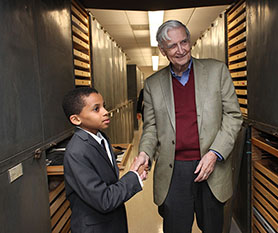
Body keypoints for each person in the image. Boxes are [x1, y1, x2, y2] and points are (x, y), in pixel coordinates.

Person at [137, 20, 243, 233]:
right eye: (172, 46)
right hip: (173, 171)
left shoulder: (217, 71)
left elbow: (233, 116)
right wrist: (144, 152)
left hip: (212, 166)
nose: (180, 50)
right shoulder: (152, 84)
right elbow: (151, 128)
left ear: (190, 41)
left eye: (184, 42)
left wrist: (214, 153)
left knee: (213, 228)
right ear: (163, 50)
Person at [62, 87, 148, 233]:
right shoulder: (77, 152)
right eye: (96, 109)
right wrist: (134, 175)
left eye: (104, 106)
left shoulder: (101, 137)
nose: (105, 112)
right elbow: (104, 200)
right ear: (76, 119)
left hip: (111, 223)